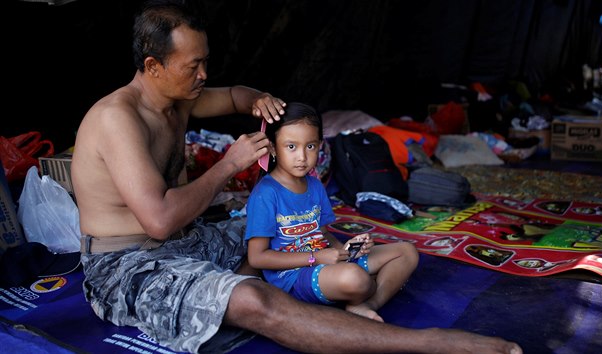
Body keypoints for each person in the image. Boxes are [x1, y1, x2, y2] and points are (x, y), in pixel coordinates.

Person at [71, 1, 523, 353]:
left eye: (204, 61)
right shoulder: (118, 119)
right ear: (153, 67)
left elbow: (232, 96)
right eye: (193, 66)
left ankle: (345, 295)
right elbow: (158, 220)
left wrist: (259, 100)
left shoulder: (179, 98)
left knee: (287, 232)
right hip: (126, 265)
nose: (203, 75)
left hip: (183, 243)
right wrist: (230, 164)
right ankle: (425, 342)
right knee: (251, 300)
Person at [245, 102, 419, 322]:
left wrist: (347, 250)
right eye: (291, 147)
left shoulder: (315, 185)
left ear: (320, 146)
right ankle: (362, 290)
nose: (302, 156)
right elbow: (258, 257)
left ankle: (366, 304)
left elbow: (323, 235)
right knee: (356, 279)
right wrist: (316, 257)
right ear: (272, 148)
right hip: (293, 275)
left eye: (310, 146)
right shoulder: (266, 194)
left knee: (406, 252)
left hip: (326, 261)